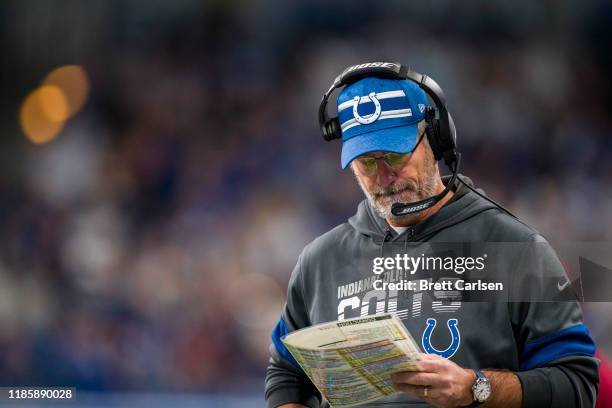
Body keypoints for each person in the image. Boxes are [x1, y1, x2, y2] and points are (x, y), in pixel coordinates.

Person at [264, 62, 599, 408]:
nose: (383, 176)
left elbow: (577, 385)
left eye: (395, 155)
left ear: (436, 140)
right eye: (366, 163)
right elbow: (286, 373)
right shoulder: (320, 261)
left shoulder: (515, 249)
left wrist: (476, 388)